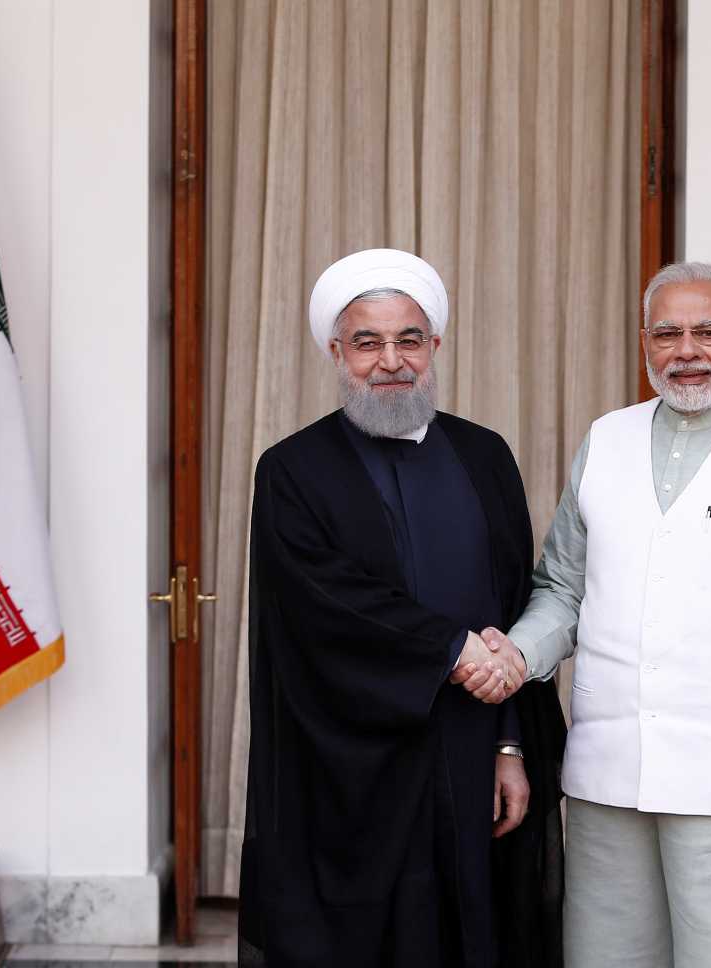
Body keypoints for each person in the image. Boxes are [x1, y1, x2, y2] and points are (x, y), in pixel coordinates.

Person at [461, 261, 711, 966]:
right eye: (668, 333)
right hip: (607, 786)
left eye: (708, 332)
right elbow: (563, 587)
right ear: (645, 344)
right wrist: (516, 656)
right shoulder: (607, 440)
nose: (687, 351)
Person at [238, 248, 565, 968]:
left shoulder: (485, 456)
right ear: (337, 352)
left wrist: (511, 746)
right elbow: (325, 606)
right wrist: (452, 649)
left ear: (435, 347)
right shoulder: (293, 468)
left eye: (408, 339)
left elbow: (513, 608)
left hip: (476, 746)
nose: (391, 360)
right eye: (368, 342)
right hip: (352, 766)